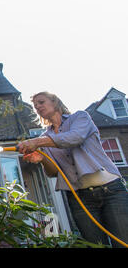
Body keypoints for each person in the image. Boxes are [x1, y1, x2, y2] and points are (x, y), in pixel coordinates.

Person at [17, 91, 128, 248]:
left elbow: (75, 137)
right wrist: (42, 159)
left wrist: (36, 141)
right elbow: (53, 172)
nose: (38, 107)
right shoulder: (44, 138)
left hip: (111, 190)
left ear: (55, 102)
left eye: (41, 102)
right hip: (80, 198)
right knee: (95, 245)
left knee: (123, 242)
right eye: (35, 106)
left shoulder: (80, 117)